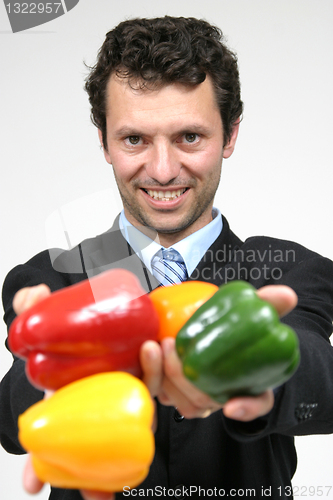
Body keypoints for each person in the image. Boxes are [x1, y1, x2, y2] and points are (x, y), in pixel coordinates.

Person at [1, 16, 333, 500]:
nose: (161, 170)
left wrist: (262, 380)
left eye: (189, 137)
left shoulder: (289, 270)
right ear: (104, 141)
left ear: (231, 134)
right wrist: (50, 378)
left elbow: (319, 380)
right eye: (134, 139)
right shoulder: (50, 276)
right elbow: (11, 422)